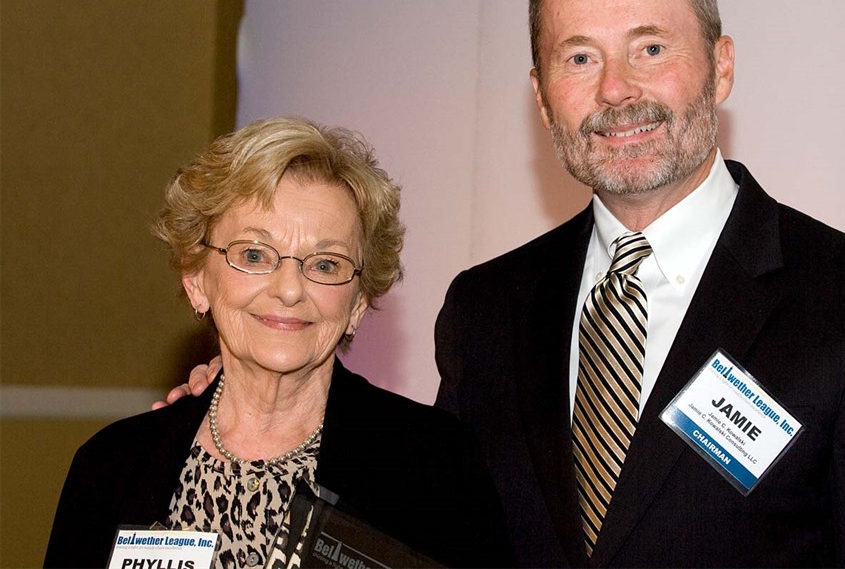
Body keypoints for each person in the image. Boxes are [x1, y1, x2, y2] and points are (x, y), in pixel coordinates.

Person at [169, 0, 845, 567]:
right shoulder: (489, 308)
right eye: (579, 57)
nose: (616, 90)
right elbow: (424, 522)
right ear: (543, 96)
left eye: (650, 48)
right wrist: (258, 411)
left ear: (720, 68)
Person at [46, 117, 511, 568]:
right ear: (196, 280)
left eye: (325, 264)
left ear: (357, 302)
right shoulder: (110, 467)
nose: (290, 289)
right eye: (254, 255)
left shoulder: (434, 467)